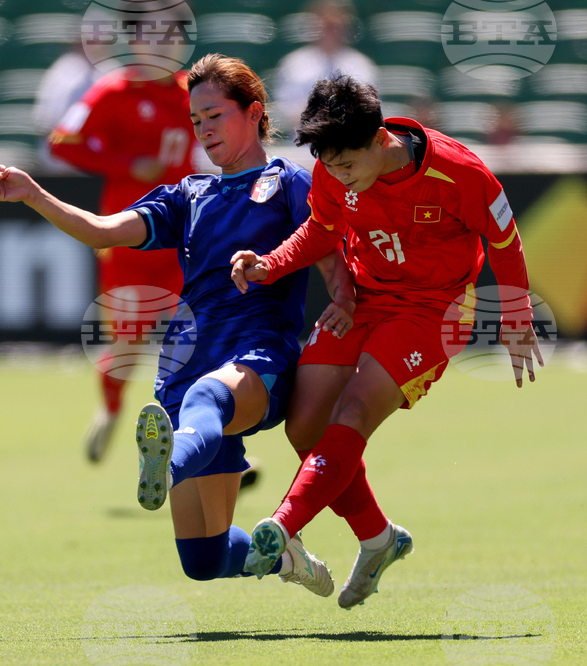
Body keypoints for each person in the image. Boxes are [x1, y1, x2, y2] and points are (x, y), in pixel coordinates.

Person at [0, 54, 355, 593]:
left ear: (254, 113)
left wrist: (343, 297)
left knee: (207, 400)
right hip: (187, 363)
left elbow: (329, 256)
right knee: (202, 558)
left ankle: (167, 461)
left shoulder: (290, 183)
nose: (203, 130)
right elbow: (104, 231)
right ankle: (286, 560)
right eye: (196, 120)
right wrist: (34, 194)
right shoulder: (188, 195)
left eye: (214, 115)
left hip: (258, 354)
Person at [230, 74, 543, 609]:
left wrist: (515, 309)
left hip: (430, 314)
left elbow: (504, 237)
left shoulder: (460, 172)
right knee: (305, 427)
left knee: (352, 411)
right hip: (361, 302)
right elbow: (322, 230)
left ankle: (282, 527)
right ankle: (379, 539)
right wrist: (271, 264)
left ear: (380, 141)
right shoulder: (335, 168)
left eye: (347, 165)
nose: (338, 176)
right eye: (329, 165)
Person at [47, 69, 193, 464]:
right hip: (127, 236)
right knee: (129, 343)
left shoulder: (194, 90)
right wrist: (127, 163)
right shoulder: (113, 90)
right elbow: (62, 142)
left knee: (196, 343)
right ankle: (111, 408)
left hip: (185, 235)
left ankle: (207, 444)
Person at [272, 0, 377, 137]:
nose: (330, 31)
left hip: (349, 144)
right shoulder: (293, 64)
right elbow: (284, 109)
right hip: (304, 145)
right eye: (325, 25)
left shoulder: (362, 65)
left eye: (335, 25)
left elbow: (369, 110)